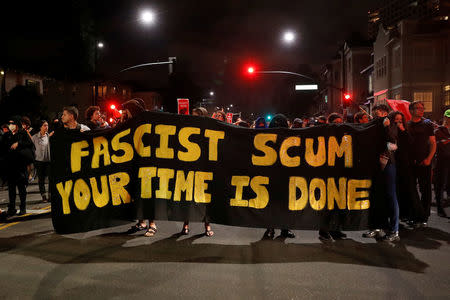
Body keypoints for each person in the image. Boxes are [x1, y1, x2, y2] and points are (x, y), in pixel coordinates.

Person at [263, 114, 295, 239]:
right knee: (279, 204)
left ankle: (280, 229)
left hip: (280, 177)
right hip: (276, 177)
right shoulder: (266, 138)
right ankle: (276, 228)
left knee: (279, 204)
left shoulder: (290, 139)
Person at [407, 101, 436, 226]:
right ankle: (414, 214)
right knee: (411, 190)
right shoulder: (407, 125)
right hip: (410, 163)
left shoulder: (427, 124)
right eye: (418, 108)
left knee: (425, 190)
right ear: (411, 110)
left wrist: (429, 158)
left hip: (424, 162)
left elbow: (433, 143)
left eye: (422, 108)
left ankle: (424, 216)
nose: (421, 110)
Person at [1, 116, 34, 216]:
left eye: (13, 123)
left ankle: (23, 207)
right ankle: (12, 208)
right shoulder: (7, 135)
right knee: (11, 189)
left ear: (17, 124)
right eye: (9, 123)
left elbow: (30, 143)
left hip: (20, 166)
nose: (11, 125)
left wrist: (18, 143)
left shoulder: (22, 133)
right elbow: (3, 147)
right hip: (10, 166)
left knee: (21, 188)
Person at [434, 109, 450, 217]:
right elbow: (439, 144)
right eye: (448, 117)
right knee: (440, 184)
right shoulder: (438, 131)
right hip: (442, 161)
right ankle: (440, 208)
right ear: (445, 118)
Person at [31, 120, 51, 202]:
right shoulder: (34, 137)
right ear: (40, 127)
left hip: (48, 161)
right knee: (41, 179)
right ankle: (43, 196)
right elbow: (31, 149)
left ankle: (50, 195)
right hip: (39, 161)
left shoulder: (49, 136)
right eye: (44, 125)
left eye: (47, 125)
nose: (46, 127)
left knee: (51, 178)